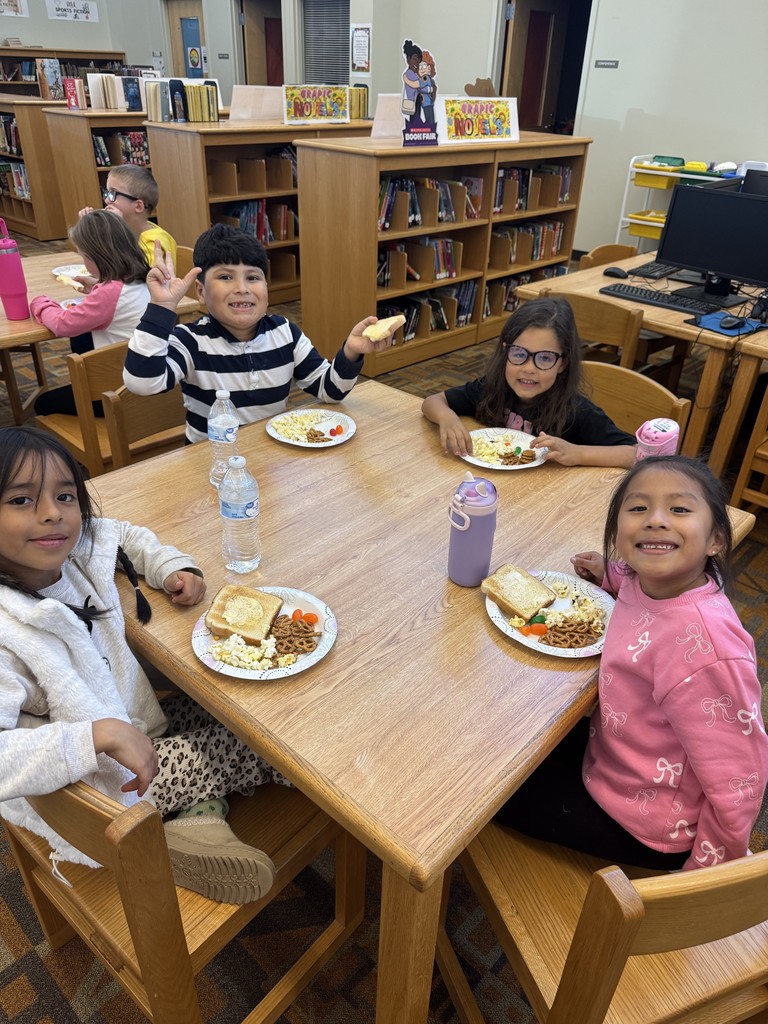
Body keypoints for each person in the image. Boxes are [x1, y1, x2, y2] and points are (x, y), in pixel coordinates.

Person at [0, 425, 286, 904]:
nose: (52, 513)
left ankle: (197, 823)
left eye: (65, 496)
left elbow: (119, 534)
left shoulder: (72, 550)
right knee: (273, 745)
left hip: (138, 730)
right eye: (21, 500)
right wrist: (95, 737)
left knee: (249, 710)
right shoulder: (7, 634)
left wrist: (171, 567)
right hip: (106, 794)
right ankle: (158, 835)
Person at [495, 455, 768, 871]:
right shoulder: (651, 580)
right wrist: (610, 573)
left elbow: (740, 779)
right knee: (509, 736)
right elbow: (635, 582)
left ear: (716, 540)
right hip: (612, 758)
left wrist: (701, 879)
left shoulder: (707, 653)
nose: (655, 520)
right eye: (638, 507)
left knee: (484, 791)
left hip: (647, 826)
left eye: (679, 509)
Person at [123, 223, 397, 443]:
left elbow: (330, 391)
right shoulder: (190, 340)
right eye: (225, 277)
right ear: (201, 292)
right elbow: (142, 383)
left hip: (271, 460)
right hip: (211, 463)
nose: (242, 288)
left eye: (253, 278)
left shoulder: (285, 333)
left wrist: (350, 352)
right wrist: (162, 307)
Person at [421, 296, 637, 468]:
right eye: (519, 353)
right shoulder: (491, 388)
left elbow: (637, 454)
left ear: (562, 363)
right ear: (505, 351)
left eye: (545, 358)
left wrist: (577, 452)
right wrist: (446, 417)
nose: (529, 368)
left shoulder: (578, 411)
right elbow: (432, 401)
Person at [31, 210, 151, 416]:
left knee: (42, 404)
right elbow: (116, 299)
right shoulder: (142, 277)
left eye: (83, 256)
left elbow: (62, 324)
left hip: (118, 395)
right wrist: (98, 286)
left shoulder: (109, 293)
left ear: (97, 257)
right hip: (148, 379)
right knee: (83, 335)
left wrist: (40, 303)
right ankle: (85, 381)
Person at [78, 164, 177, 267]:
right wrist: (89, 231)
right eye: (107, 193)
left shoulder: (154, 243)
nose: (106, 200)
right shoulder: (133, 230)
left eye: (113, 194)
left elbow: (135, 275)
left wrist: (118, 231)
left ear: (138, 206)